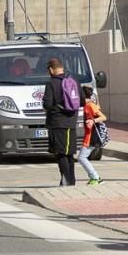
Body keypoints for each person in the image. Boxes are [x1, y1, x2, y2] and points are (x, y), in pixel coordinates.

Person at [43, 57, 79, 186]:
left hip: (57, 123)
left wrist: (54, 109)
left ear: (51, 70)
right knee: (69, 154)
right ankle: (70, 181)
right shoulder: (73, 80)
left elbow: (47, 104)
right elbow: (80, 101)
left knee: (61, 154)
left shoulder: (51, 83)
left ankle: (67, 181)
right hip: (71, 122)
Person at [79, 87, 106, 186]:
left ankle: (96, 177)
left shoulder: (90, 105)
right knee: (82, 157)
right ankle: (94, 177)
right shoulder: (86, 105)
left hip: (91, 136)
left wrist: (92, 120)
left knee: (82, 158)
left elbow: (103, 117)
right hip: (88, 136)